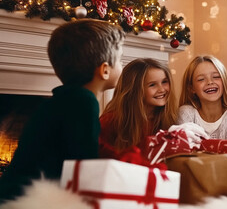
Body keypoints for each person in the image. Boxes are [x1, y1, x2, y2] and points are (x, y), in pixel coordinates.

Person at [0, 19, 125, 202]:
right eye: (120, 59)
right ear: (105, 70)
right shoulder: (83, 102)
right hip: (27, 199)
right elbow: (85, 166)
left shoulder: (63, 100)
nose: (122, 64)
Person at [99, 58, 177, 158]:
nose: (162, 89)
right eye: (152, 85)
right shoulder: (112, 120)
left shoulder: (168, 118)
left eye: (164, 82)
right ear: (134, 90)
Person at [178, 55, 227, 140]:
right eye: (201, 79)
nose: (210, 82)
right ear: (191, 88)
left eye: (216, 77)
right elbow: (185, 147)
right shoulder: (187, 112)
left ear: (224, 82)